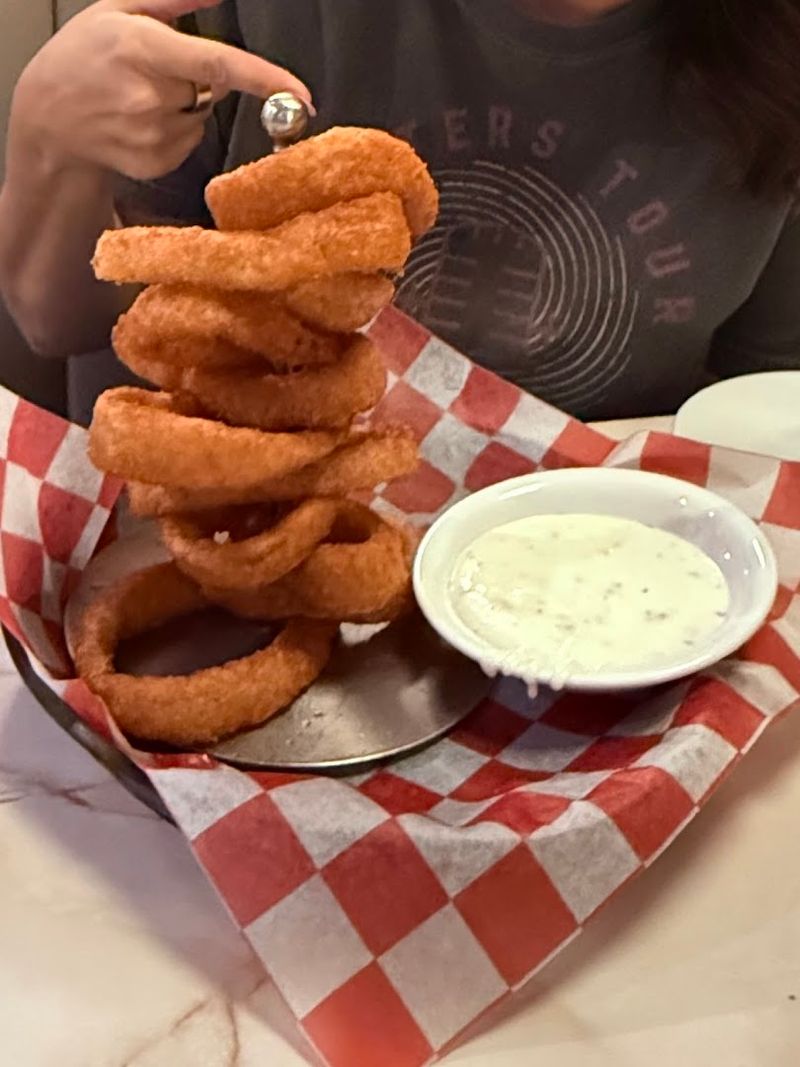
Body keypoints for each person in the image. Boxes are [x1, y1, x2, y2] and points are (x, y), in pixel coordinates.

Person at [2, 0, 800, 425]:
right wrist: (47, 140)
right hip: (254, 545)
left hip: (594, 575)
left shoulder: (778, 61)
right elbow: (80, 323)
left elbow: (760, 411)